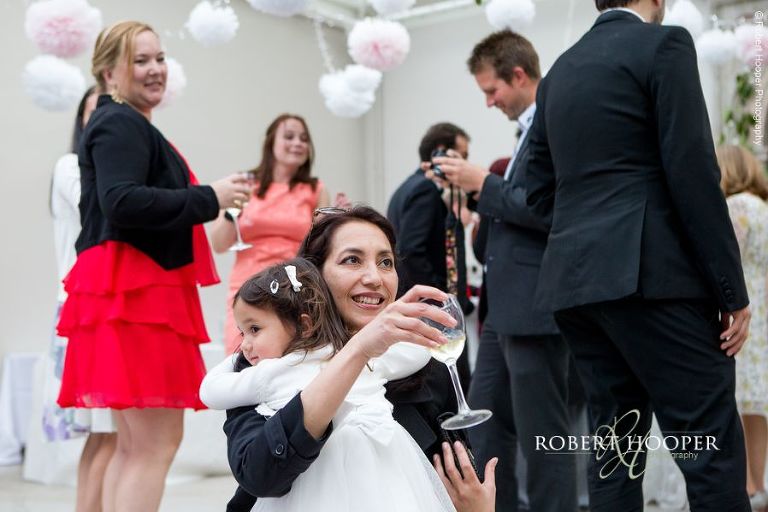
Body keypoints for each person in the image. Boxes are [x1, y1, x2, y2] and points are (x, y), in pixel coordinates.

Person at [524, 1, 751, 510]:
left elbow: (533, 190)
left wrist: (584, 226)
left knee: (615, 449)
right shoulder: (664, 43)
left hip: (576, 287)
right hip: (654, 280)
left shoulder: (558, 74)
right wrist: (731, 291)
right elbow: (693, 170)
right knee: (709, 446)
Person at [56, 21, 250, 512]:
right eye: (140, 60)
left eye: (159, 58)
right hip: (138, 292)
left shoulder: (118, 120)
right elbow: (121, 201)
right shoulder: (120, 120)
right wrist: (212, 197)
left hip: (129, 289)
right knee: (153, 446)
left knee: (134, 447)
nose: (155, 69)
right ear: (108, 72)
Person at [217, 206, 497, 512]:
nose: (374, 278)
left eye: (385, 262)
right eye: (352, 260)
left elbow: (455, 480)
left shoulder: (422, 366)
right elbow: (261, 477)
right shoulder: (264, 363)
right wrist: (357, 350)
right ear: (314, 274)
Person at [429, 30, 576, 512]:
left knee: (544, 437)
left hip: (535, 307)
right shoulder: (524, 134)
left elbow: (550, 209)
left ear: (518, 75)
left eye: (492, 91)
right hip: (502, 310)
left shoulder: (554, 124)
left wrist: (484, 182)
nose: (490, 103)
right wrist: (475, 195)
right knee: (486, 424)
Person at [201, 257, 456, 511]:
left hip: (381, 476)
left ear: (304, 324)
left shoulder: (355, 354)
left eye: (255, 329)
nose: (245, 344)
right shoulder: (275, 370)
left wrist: (388, 326)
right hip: (338, 485)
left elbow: (211, 390)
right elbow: (211, 392)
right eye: (242, 332)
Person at [47, 85, 117, 512]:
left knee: (106, 433)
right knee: (108, 433)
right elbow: (107, 206)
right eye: (97, 112)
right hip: (87, 306)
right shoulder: (72, 166)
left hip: (98, 305)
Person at [209, 114, 330, 354]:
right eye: (289, 136)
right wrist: (232, 209)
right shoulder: (245, 184)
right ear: (270, 142)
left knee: (290, 354)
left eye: (304, 139)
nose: (298, 143)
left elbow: (321, 245)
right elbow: (219, 243)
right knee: (242, 355)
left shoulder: (315, 189)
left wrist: (336, 220)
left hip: (294, 285)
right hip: (247, 283)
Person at [387, 122, 472, 400]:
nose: (466, 164)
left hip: (416, 303)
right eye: (461, 155)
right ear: (439, 154)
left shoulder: (406, 186)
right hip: (430, 307)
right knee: (448, 386)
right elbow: (411, 249)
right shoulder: (425, 189)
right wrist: (440, 298)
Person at [717, 144, 768, 510]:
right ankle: (758, 481)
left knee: (738, 400)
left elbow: (724, 257)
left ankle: (747, 486)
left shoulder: (735, 208)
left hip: (744, 308)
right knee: (756, 405)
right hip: (764, 306)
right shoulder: (763, 207)